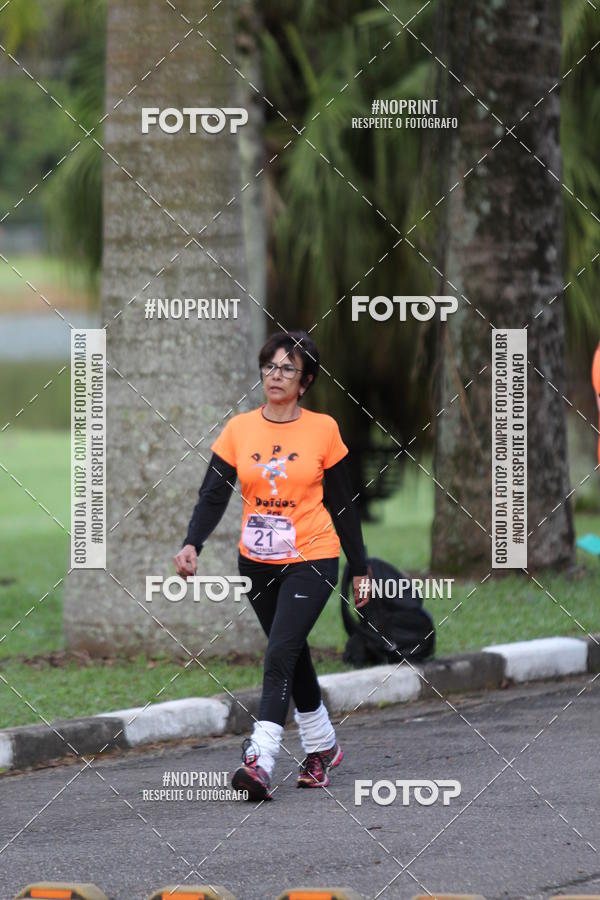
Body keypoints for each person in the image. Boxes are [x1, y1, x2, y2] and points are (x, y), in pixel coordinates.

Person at [174, 330, 371, 801]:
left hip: (312, 557)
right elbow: (213, 494)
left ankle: (260, 760)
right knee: (292, 651)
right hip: (257, 562)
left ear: (305, 381)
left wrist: (360, 568)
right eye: (270, 366)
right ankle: (322, 748)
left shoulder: (323, 430)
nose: (276, 375)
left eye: (288, 368)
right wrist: (192, 542)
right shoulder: (239, 429)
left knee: (279, 653)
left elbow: (343, 504)